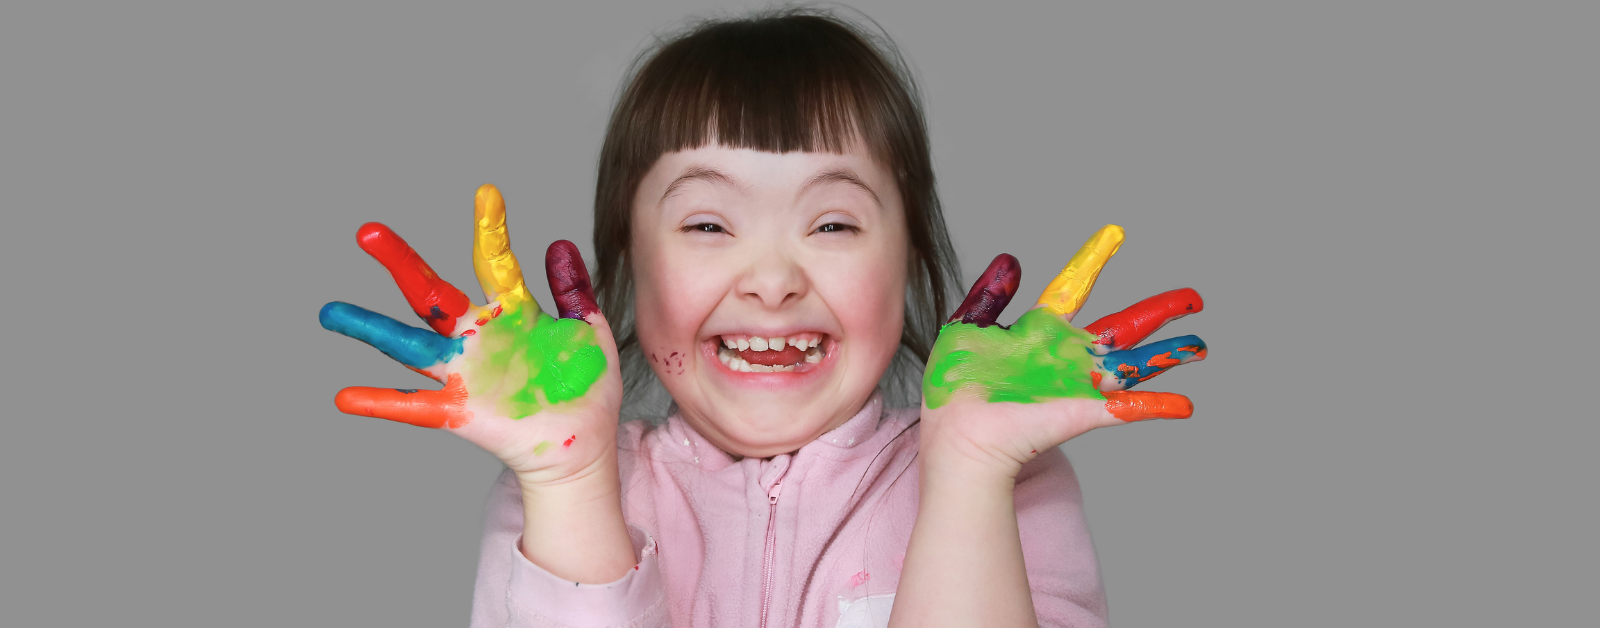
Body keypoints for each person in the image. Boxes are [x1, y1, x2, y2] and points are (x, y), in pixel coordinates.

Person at [317, 9, 1207, 628]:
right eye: (707, 225)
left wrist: (970, 471)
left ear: (911, 261)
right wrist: (571, 487)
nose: (774, 279)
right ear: (627, 267)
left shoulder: (1012, 474)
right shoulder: (558, 480)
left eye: (833, 224)